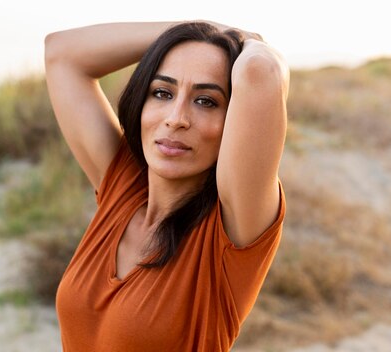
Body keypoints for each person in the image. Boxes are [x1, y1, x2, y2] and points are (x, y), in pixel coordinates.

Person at [44, 20, 289, 351]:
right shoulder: (122, 188)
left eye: (206, 101)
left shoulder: (230, 232)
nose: (176, 118)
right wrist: (196, 29)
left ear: (233, 121)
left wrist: (245, 40)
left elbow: (261, 69)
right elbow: (61, 53)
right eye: (162, 92)